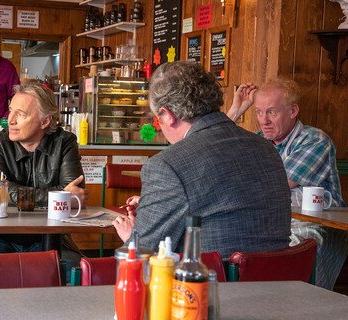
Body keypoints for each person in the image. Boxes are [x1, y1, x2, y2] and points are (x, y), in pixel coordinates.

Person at [112, 61, 291, 258]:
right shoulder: (267, 148)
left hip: (209, 284)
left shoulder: (168, 165)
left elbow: (140, 253)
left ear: (168, 115)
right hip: (279, 283)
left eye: (157, 119)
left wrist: (132, 237)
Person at [227, 79, 348, 290]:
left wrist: (242, 185)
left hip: (318, 226)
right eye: (258, 112)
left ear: (293, 111)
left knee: (290, 251)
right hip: (273, 223)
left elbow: (276, 188)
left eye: (271, 112)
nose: (263, 121)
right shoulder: (258, 141)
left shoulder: (315, 140)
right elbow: (213, 152)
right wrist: (235, 111)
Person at [0, 82, 88, 268]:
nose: (10, 120)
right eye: (10, 111)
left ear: (45, 121)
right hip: (2, 237)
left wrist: (17, 193)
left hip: (52, 238)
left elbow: (76, 194)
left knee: (72, 266)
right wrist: (59, 196)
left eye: (21, 114)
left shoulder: (64, 142)